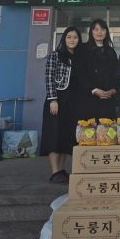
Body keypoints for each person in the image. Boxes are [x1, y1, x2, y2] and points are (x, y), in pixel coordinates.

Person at [40, 26, 82, 184]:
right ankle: (54, 171)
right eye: (69, 37)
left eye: (75, 37)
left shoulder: (79, 57)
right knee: (54, 135)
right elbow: (49, 77)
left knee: (66, 136)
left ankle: (62, 170)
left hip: (73, 101)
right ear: (64, 39)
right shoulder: (55, 55)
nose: (72, 40)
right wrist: (53, 99)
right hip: (57, 100)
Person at [76, 19, 120, 122]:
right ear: (91, 32)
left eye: (102, 29)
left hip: (108, 100)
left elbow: (117, 73)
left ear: (106, 32)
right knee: (89, 130)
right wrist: (94, 90)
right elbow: (80, 73)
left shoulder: (111, 51)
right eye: (96, 29)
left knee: (107, 130)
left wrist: (114, 89)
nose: (99, 32)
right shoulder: (82, 49)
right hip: (88, 100)